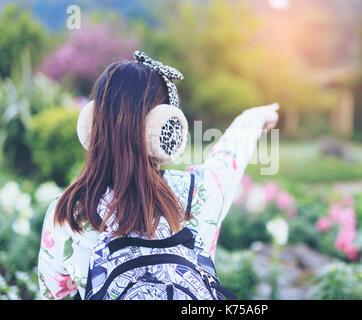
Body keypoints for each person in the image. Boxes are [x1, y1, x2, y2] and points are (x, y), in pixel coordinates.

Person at [37, 50, 279, 300]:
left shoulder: (67, 212)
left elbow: (54, 294)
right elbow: (229, 158)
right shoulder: (197, 193)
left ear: (91, 124)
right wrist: (256, 118)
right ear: (168, 128)